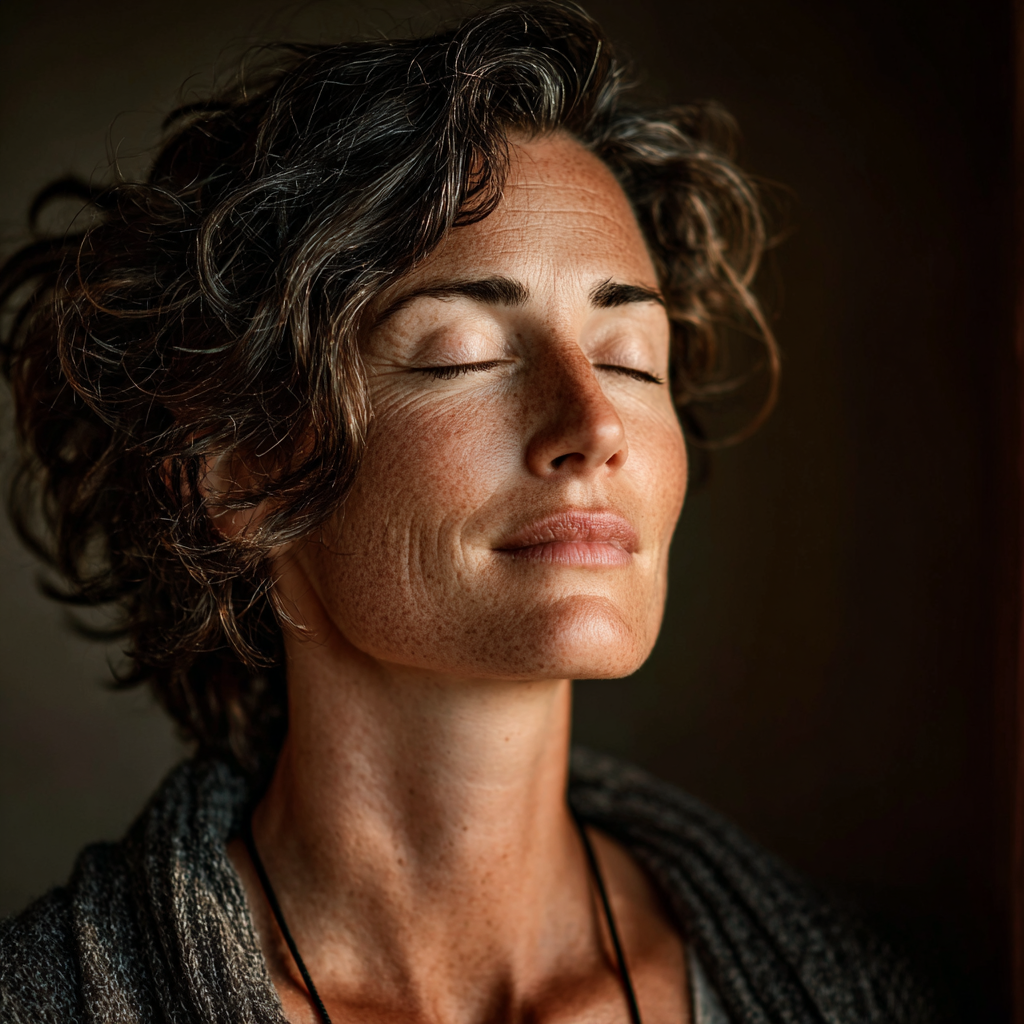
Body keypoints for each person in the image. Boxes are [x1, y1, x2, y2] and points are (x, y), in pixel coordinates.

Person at [0, 3, 931, 1021]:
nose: (592, 425)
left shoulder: (855, 997)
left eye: (630, 360)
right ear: (238, 473)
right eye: (464, 354)